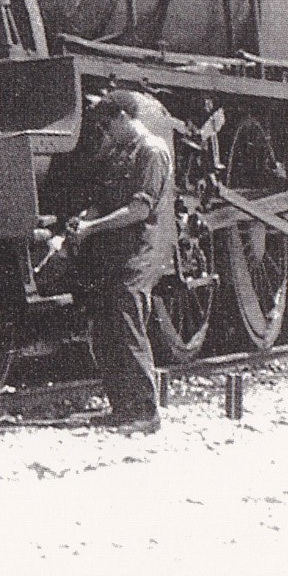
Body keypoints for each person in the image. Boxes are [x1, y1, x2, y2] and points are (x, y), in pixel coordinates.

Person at [65, 90, 177, 433]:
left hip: (138, 251)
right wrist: (83, 218)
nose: (106, 132)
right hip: (112, 251)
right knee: (105, 326)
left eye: (108, 124)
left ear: (125, 118)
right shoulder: (118, 153)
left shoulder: (153, 152)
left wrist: (91, 228)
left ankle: (146, 412)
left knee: (128, 324)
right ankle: (122, 407)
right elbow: (102, 201)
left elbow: (139, 209)